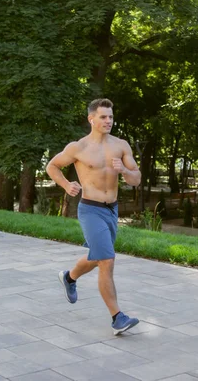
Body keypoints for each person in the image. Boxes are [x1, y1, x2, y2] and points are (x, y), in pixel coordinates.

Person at [46, 98, 141, 335]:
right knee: (107, 260)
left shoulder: (121, 145)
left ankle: (69, 277)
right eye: (103, 117)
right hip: (90, 209)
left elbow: (136, 178)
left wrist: (125, 171)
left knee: (98, 256)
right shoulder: (79, 148)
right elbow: (52, 166)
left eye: (110, 116)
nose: (108, 121)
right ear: (92, 119)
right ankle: (117, 318)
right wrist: (67, 185)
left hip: (112, 210)